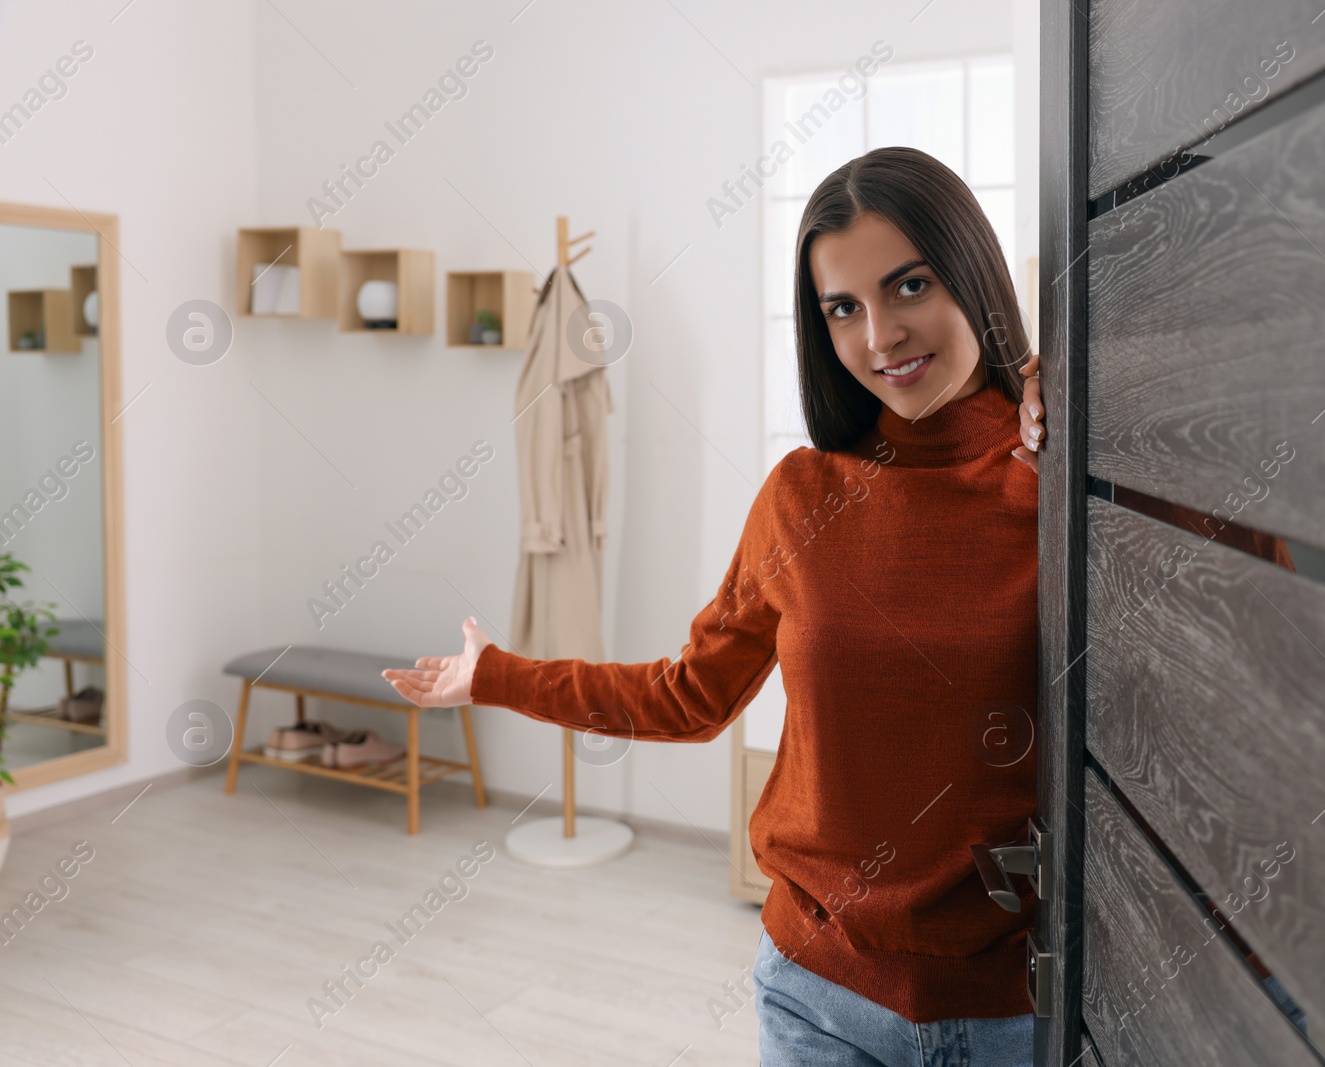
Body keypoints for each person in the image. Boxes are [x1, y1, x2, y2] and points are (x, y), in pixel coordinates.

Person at [385, 145, 1049, 1066]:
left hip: (1014, 1013)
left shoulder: (1055, 486)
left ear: (972, 273)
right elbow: (691, 695)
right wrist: (497, 675)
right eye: (843, 309)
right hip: (815, 998)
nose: (880, 337)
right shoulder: (803, 496)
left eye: (910, 285)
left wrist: (1115, 403)